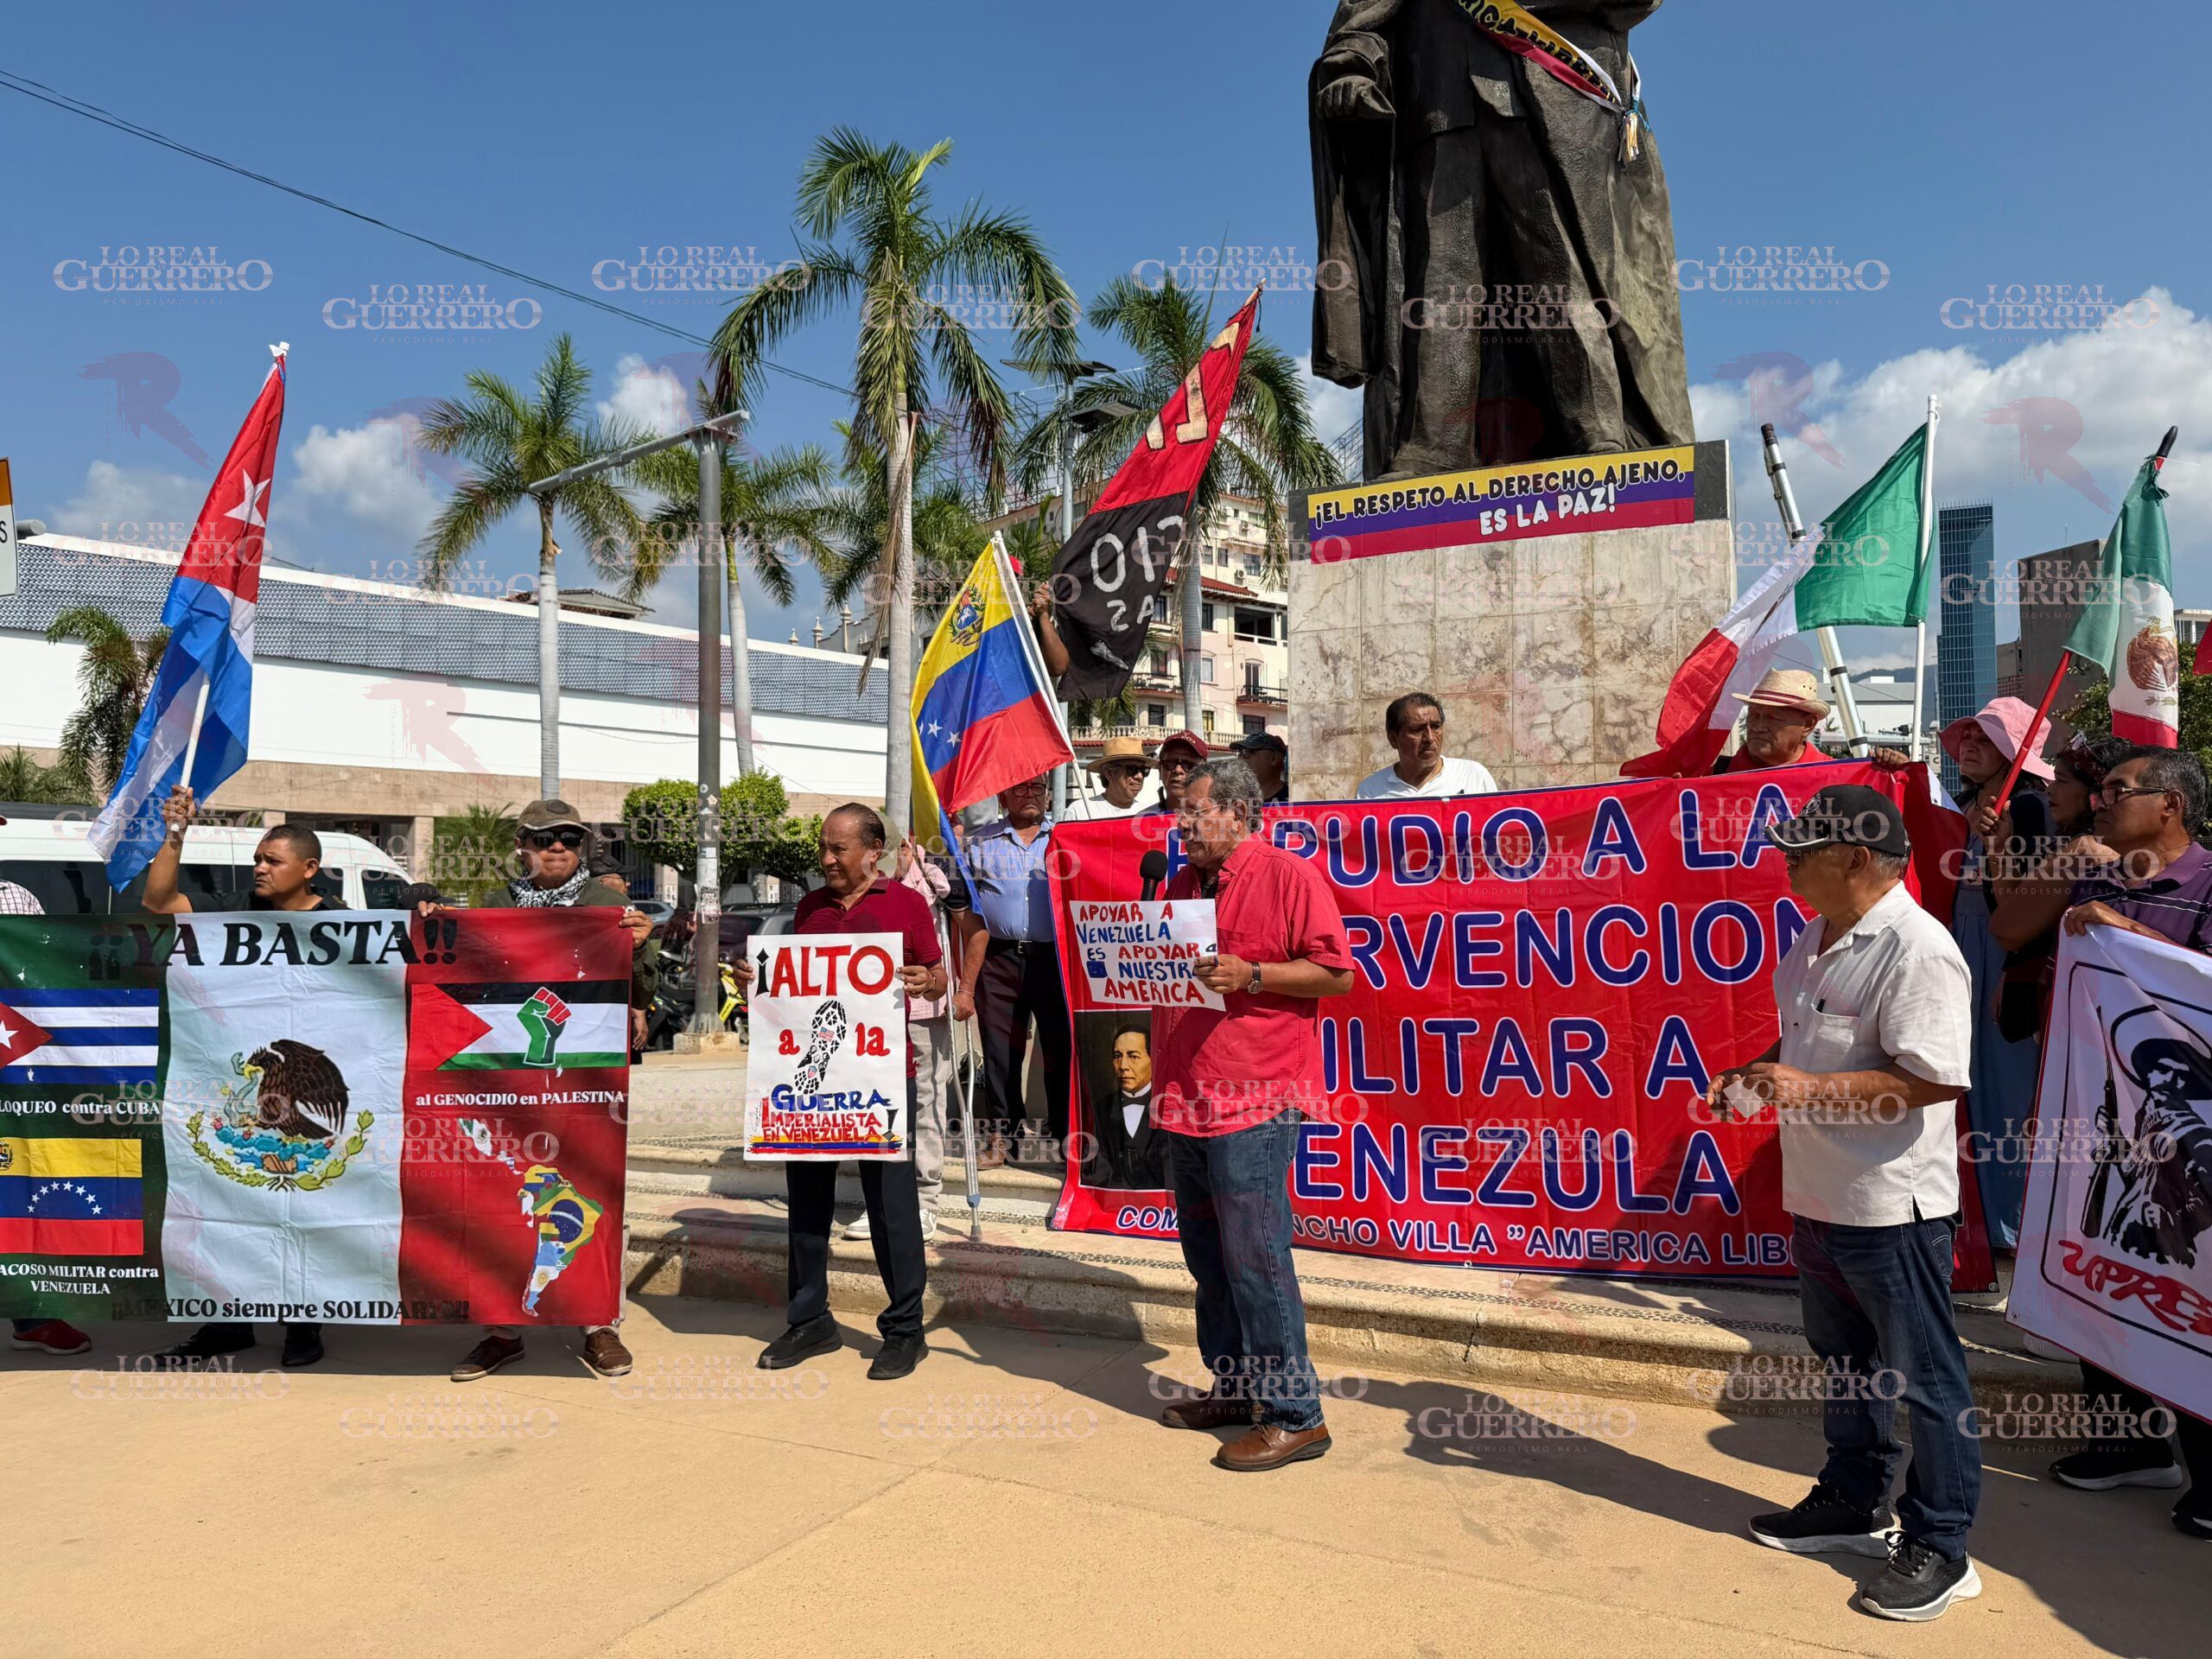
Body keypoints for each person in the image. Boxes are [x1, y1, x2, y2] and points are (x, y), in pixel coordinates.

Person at [1710, 785, 1982, 1621]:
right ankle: (1852, 1498)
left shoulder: (1915, 948)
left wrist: (1805, 1085)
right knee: (1848, 1364)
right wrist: (1755, 1073)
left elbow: (1932, 1078)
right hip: (1820, 1196)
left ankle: (1940, 1543)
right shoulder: (1816, 939)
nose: (1786, 862)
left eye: (1802, 849)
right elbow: (1801, 1044)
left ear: (1856, 858)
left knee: (1926, 1379)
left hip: (1889, 1206)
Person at [1154, 757, 1354, 1471]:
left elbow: (1338, 974)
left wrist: (1256, 974)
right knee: (1209, 1260)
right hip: (1187, 1098)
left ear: (1239, 812)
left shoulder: (1288, 876)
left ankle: (1296, 1415)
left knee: (1257, 1260)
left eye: (1197, 812)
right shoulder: (1178, 883)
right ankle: (1237, 1390)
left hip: (1254, 1098)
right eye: (1181, 811)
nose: (1183, 823)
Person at [2037, 746, 2212, 1540]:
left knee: (2194, 1283)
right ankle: (2125, 1442)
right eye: (2100, 790)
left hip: (2195, 1140)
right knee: (2107, 1264)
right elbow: (2010, 926)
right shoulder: (2097, 874)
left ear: (2170, 806)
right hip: (2103, 1127)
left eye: (2119, 791)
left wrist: (2131, 932)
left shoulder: (2208, 885)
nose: (2101, 802)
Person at [445, 799, 658, 1384]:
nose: (558, 847)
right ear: (522, 844)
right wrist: (439, 928)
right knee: (498, 1188)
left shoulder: (605, 904)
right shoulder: (493, 904)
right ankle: (501, 1329)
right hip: (505, 1071)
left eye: (569, 838)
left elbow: (640, 987)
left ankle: (598, 1324)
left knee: (593, 1187)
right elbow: (458, 974)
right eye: (544, 839)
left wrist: (642, 945)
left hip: (585, 1073)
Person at [740, 804, 945, 1381]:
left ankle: (905, 1330)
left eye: (840, 849)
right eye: (824, 849)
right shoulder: (808, 908)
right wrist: (754, 982)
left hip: (882, 1078)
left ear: (872, 851)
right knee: (808, 1203)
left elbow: (937, 973)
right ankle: (810, 1320)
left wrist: (925, 980)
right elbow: (792, 988)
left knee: (892, 1207)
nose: (827, 860)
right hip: (811, 1084)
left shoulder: (906, 905)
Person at [142, 786, 334, 1370]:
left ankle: (304, 1324)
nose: (259, 869)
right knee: (229, 1201)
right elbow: (159, 902)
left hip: (309, 1093)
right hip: (240, 1090)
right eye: (257, 858)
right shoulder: (238, 907)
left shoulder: (349, 925)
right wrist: (176, 832)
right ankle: (227, 1323)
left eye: (272, 861)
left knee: (300, 1204)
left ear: (309, 869)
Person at [1942, 696, 2056, 1250]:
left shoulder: (2032, 810)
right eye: (1968, 737)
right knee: (1959, 1080)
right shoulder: (1963, 807)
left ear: (2014, 755)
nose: (1969, 746)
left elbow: (2026, 904)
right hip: (1957, 957)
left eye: (1985, 740)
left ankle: (2012, 1223)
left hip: (2003, 961)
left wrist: (2000, 847)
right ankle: (1974, 1215)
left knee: (2008, 1087)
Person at [0, 849, 96, 1359]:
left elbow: (43, 974)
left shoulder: (14, 897)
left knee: (16, 1188)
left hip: (12, 1069)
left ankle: (31, 1316)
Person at [953, 775, 1071, 1168]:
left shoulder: (1066, 839)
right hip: (999, 959)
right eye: (1020, 788)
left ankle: (1064, 1137)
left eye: (1038, 788)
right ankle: (1004, 1138)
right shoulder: (981, 843)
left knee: (1060, 1050)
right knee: (1001, 1053)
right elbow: (960, 902)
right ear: (1003, 796)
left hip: (1054, 958)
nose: (1030, 795)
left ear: (1049, 794)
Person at [845, 837, 953, 1242]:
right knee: (873, 1104)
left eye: (902, 847)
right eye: (883, 849)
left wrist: (957, 990)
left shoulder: (932, 882)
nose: (892, 856)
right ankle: (879, 1203)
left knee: (925, 1103)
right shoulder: (856, 893)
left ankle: (924, 1203)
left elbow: (964, 920)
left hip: (922, 1014)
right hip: (868, 1022)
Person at [1712, 668, 1912, 774]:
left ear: (1808, 725)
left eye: (1773, 718)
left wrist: (1904, 775)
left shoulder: (1841, 778)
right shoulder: (1714, 777)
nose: (1757, 726)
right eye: (1753, 715)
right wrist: (1680, 797)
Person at [1355, 692, 1499, 799]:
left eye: (1436, 726)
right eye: (1417, 730)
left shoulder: (1473, 776)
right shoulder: (1370, 791)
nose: (1430, 738)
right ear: (1393, 740)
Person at [1081, 1021, 1166, 1191]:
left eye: (1133, 1056)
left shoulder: (1169, 1106)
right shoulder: (1100, 1108)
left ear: (1153, 1059)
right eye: (1118, 1056)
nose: (1123, 1066)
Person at [1064, 736, 1154, 823]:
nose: (1140, 776)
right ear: (1109, 773)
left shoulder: (1149, 817)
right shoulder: (1080, 813)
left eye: (1143, 770)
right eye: (1131, 769)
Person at [1146, 731, 1208, 816]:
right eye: (1170, 763)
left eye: (1188, 764)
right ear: (1160, 769)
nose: (1178, 770)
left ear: (1204, 773)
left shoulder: (1217, 820)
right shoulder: (1142, 820)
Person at [1230, 731, 1292, 804]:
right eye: (1240, 752)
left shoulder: (1293, 800)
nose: (1240, 759)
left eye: (1247, 752)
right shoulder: (1235, 799)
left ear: (1274, 758)